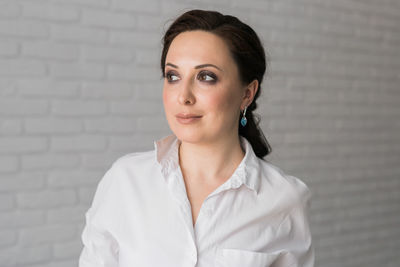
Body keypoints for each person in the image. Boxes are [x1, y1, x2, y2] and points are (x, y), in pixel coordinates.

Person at [79, 9, 314, 267]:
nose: (184, 96)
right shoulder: (125, 181)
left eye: (206, 77)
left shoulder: (283, 198)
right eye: (173, 76)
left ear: (247, 93)